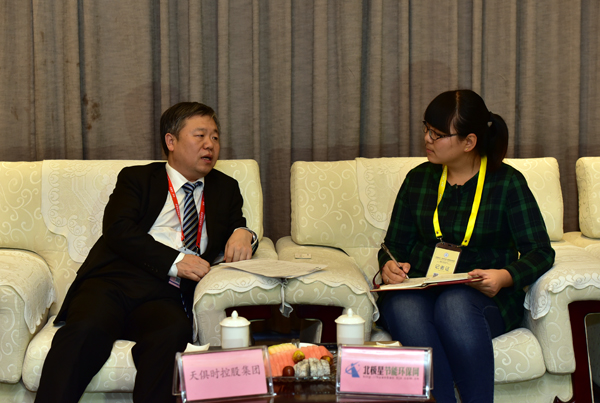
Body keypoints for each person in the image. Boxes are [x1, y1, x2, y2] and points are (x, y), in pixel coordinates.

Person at [35, 102, 258, 403]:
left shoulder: (225, 187)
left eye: (215, 137)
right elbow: (118, 229)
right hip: (113, 283)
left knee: (172, 332)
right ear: (171, 141)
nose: (210, 145)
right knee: (84, 331)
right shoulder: (137, 178)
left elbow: (236, 225)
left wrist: (244, 232)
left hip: (165, 294)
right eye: (200, 135)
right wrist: (176, 261)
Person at [376, 90, 554, 403]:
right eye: (426, 128)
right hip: (421, 287)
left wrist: (504, 277)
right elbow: (393, 246)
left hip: (478, 296)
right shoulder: (418, 179)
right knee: (402, 307)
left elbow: (540, 251)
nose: (427, 138)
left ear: (469, 141)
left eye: (437, 133)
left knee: (454, 304)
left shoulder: (507, 183)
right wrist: (389, 266)